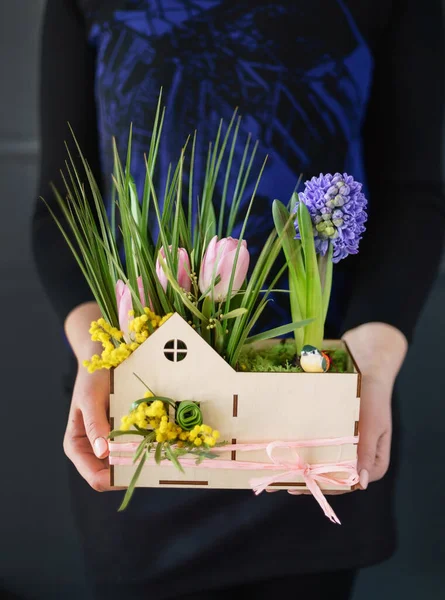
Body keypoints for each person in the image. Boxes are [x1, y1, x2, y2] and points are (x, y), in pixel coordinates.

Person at [32, 1, 444, 599]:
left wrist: (370, 369)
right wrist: (98, 353)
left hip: (314, 423)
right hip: (146, 417)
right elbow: (61, 206)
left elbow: (412, 195)